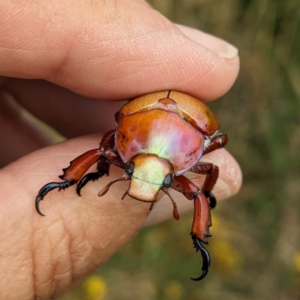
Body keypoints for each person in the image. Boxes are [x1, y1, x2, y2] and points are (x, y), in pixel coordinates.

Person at [0, 0, 242, 298]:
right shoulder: (128, 138)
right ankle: (70, 178)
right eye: (132, 169)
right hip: (147, 115)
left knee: (196, 186)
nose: (144, 184)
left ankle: (199, 234)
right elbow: (108, 142)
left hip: (177, 119)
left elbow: (110, 140)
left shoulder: (180, 149)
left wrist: (203, 197)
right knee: (108, 151)